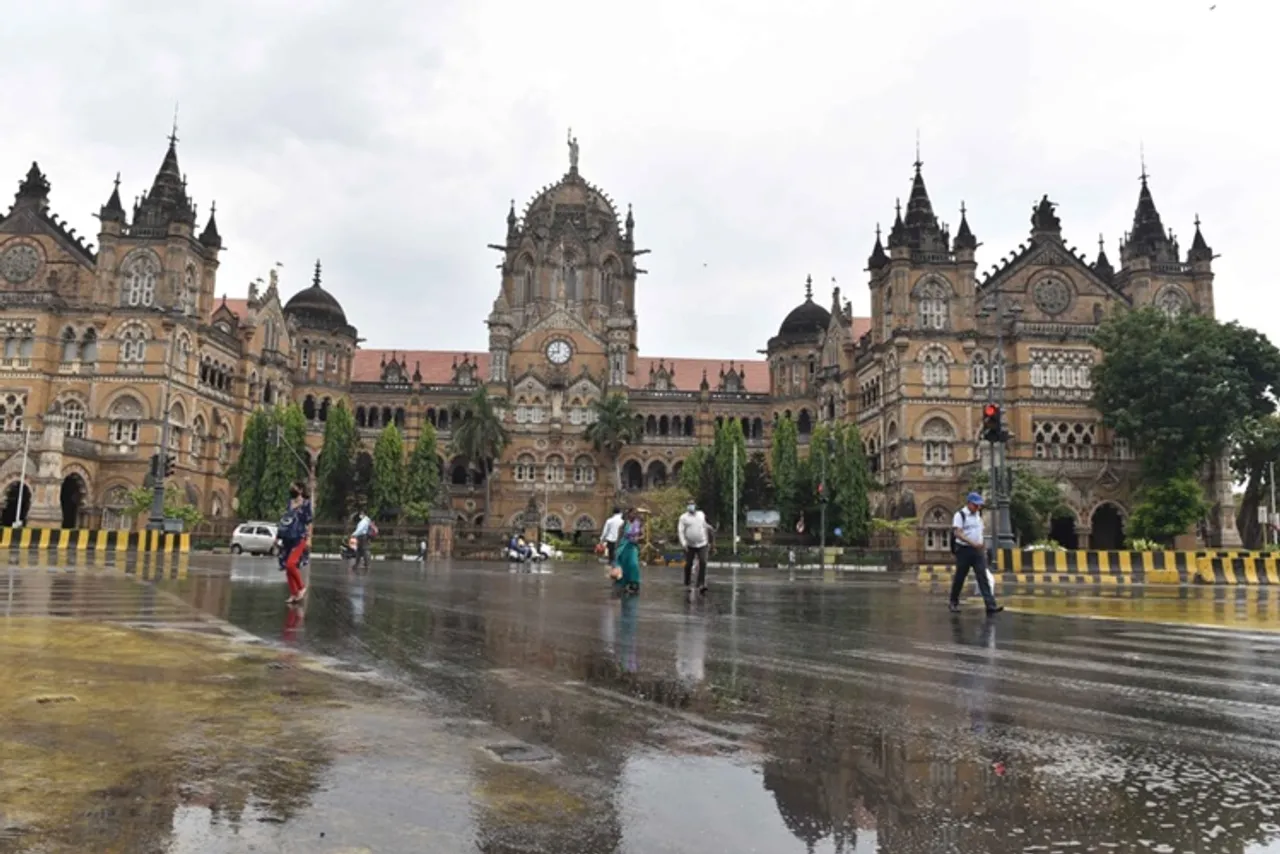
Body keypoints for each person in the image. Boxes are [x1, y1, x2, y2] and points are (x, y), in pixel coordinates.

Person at [949, 492, 1003, 616]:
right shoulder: (960, 515)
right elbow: (958, 533)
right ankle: (953, 602)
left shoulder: (978, 515)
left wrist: (981, 545)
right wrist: (972, 543)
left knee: (982, 576)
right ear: (969, 503)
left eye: (979, 505)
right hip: (964, 550)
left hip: (977, 550)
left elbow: (980, 532)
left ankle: (990, 605)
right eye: (975, 505)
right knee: (960, 577)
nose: (978, 508)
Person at [278, 481, 313, 605]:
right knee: (287, 567)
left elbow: (309, 522)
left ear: (301, 490)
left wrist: (309, 538)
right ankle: (294, 594)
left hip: (300, 537)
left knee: (291, 564)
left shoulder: (306, 504)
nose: (291, 489)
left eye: (294, 487)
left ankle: (301, 587)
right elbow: (285, 520)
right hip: (288, 538)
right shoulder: (289, 503)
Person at [678, 502, 712, 594]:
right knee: (688, 564)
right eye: (689, 504)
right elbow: (680, 531)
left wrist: (709, 531)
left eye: (692, 504)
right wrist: (683, 543)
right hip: (690, 545)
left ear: (695, 506)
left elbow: (704, 525)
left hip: (702, 543)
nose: (691, 506)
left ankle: (701, 583)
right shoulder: (683, 517)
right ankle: (687, 583)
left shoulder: (701, 514)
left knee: (703, 562)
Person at [614, 508, 643, 595]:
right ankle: (624, 584)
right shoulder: (624, 525)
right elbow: (619, 536)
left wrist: (638, 538)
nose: (633, 515)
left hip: (632, 547)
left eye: (635, 513)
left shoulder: (638, 524)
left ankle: (634, 583)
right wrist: (616, 548)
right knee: (623, 565)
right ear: (628, 514)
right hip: (623, 547)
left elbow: (643, 535)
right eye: (631, 513)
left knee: (633, 564)